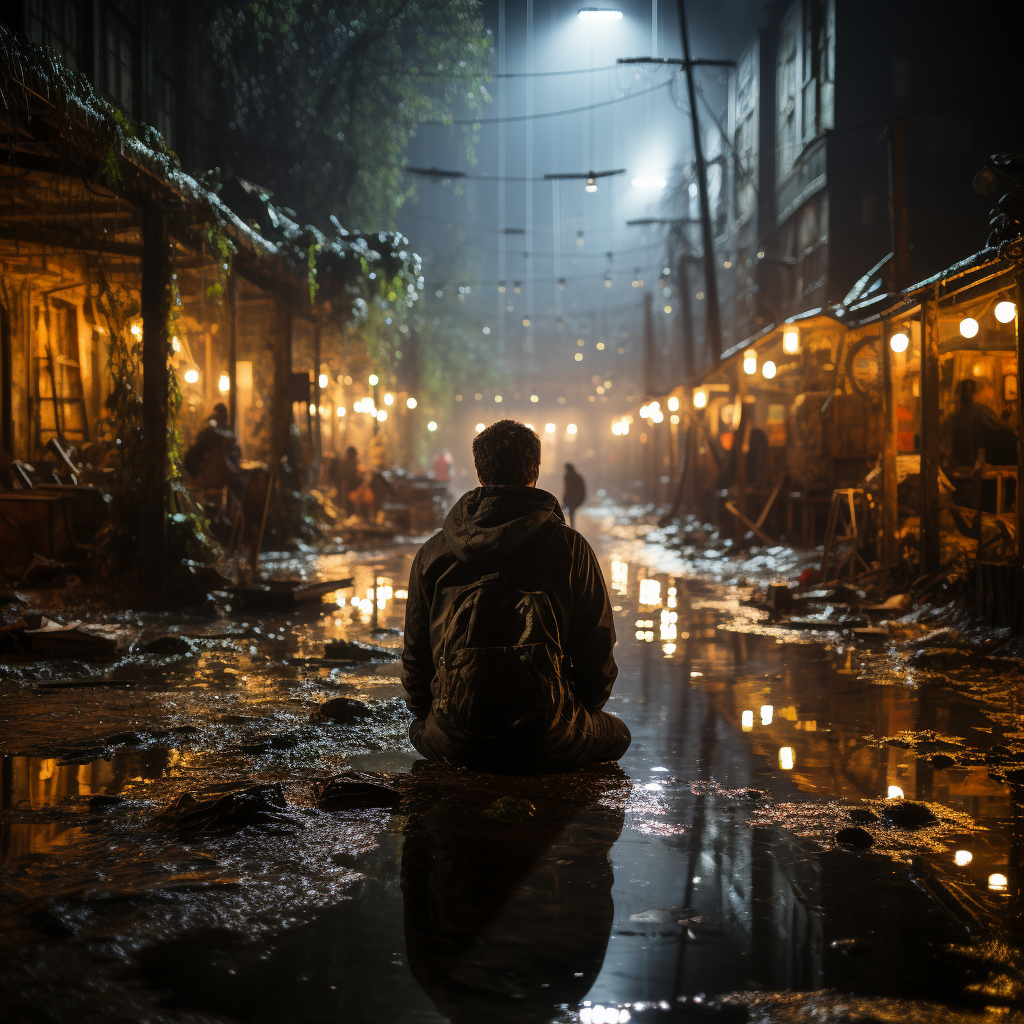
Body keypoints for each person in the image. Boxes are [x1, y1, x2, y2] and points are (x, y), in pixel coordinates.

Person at [401, 419, 630, 773]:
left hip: (454, 737)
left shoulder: (432, 553)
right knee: (618, 735)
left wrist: (434, 715)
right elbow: (596, 654)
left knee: (417, 728)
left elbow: (416, 660)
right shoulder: (571, 548)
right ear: (534, 472)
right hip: (546, 736)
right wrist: (572, 712)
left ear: (480, 473)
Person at [947, 378, 1017, 468]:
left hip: (959, 468)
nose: (987, 396)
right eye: (984, 392)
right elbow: (1003, 432)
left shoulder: (956, 414)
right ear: (976, 394)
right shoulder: (980, 411)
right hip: (978, 470)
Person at [562, 462, 586, 529]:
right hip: (576, 499)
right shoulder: (577, 477)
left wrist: (565, 499)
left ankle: (570, 529)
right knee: (570, 514)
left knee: (569, 514)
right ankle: (571, 528)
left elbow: (568, 489)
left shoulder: (568, 477)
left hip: (572, 499)